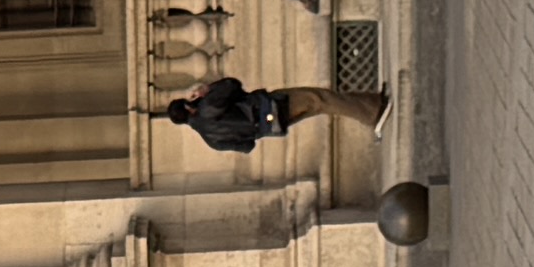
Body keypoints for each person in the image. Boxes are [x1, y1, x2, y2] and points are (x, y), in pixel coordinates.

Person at [152, 79, 388, 158]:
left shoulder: (210, 139)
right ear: (188, 107)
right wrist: (207, 89)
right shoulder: (207, 106)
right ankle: (371, 113)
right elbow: (233, 84)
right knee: (321, 99)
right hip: (271, 105)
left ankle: (372, 102)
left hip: (270, 125)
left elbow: (247, 146)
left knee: (319, 104)